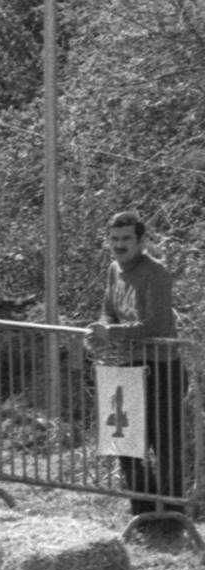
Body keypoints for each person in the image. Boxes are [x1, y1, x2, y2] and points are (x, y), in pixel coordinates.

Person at [88, 211, 187, 517]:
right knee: (125, 440)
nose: (119, 245)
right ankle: (142, 512)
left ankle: (172, 515)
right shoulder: (113, 269)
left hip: (160, 368)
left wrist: (113, 332)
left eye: (126, 238)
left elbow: (156, 324)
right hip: (126, 365)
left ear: (141, 241)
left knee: (164, 444)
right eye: (114, 239)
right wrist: (101, 327)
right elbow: (109, 310)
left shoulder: (156, 273)